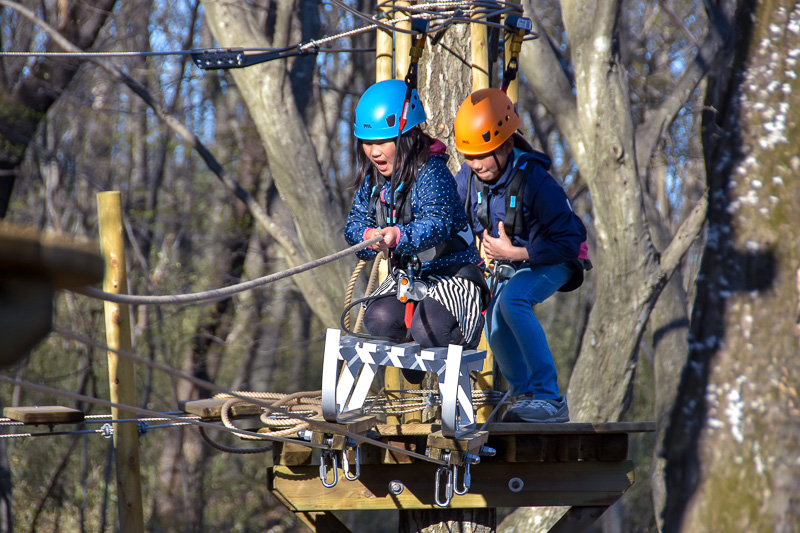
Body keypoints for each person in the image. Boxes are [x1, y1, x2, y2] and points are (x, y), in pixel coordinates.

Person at [453, 88, 590, 422]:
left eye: (483, 154)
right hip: (514, 262)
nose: (475, 164)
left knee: (514, 301)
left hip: (556, 258)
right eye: (469, 156)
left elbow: (570, 240)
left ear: (508, 146)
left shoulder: (536, 183)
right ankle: (524, 396)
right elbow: (450, 214)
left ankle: (550, 398)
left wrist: (516, 251)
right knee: (493, 317)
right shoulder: (470, 179)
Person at [344, 80, 488, 383]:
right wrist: (367, 236)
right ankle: (414, 344)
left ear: (407, 137)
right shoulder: (373, 183)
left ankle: (453, 335)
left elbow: (436, 223)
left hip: (453, 275)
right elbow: (353, 226)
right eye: (368, 143)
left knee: (429, 327)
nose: (374, 152)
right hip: (410, 279)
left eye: (382, 142)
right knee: (377, 318)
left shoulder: (431, 172)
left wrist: (399, 236)